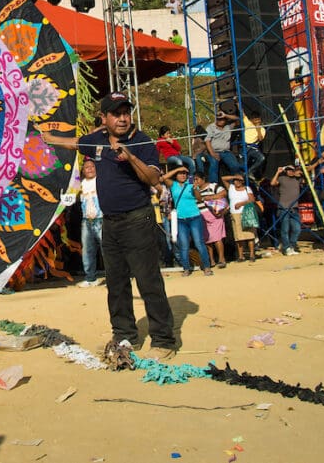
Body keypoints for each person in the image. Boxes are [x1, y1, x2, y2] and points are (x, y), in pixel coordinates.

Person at [40, 92, 176, 360]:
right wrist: (49, 138)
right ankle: (125, 335)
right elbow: (76, 143)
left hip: (138, 218)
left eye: (126, 112)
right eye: (116, 113)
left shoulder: (142, 140)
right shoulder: (96, 141)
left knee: (148, 281)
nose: (123, 118)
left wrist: (130, 157)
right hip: (109, 222)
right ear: (104, 118)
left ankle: (164, 339)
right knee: (116, 283)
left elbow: (152, 178)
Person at [164, 165, 214, 277]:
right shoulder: (174, 185)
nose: (183, 175)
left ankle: (206, 267)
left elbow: (199, 199)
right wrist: (177, 169)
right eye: (180, 173)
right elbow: (162, 178)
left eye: (184, 173)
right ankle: (186, 268)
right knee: (184, 245)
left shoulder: (191, 183)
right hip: (181, 219)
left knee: (199, 243)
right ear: (176, 175)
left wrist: (195, 188)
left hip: (194, 216)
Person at [77, 159, 103, 287]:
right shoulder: (80, 185)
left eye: (92, 166)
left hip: (101, 219)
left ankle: (114, 278)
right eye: (87, 167)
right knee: (87, 250)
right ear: (83, 170)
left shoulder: (101, 181)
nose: (90, 169)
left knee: (107, 250)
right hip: (86, 221)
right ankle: (90, 278)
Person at [193, 171, 228, 268]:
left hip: (214, 214)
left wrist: (211, 197)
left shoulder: (212, 186)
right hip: (201, 215)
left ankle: (221, 259)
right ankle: (211, 260)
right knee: (207, 239)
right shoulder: (195, 190)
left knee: (217, 238)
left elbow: (224, 192)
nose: (195, 181)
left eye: (197, 179)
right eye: (194, 179)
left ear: (203, 179)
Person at [270, 165, 303, 256]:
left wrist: (300, 173)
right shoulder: (282, 178)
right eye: (288, 170)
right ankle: (286, 248)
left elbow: (305, 178)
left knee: (297, 229)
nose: (290, 172)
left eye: (292, 170)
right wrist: (278, 172)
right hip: (284, 207)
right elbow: (272, 183)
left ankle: (292, 246)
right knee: (285, 229)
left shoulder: (297, 179)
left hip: (294, 208)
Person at [224, 174, 258, 261]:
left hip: (246, 213)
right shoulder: (231, 188)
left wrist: (241, 204)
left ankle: (251, 254)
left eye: (240, 180)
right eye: (236, 180)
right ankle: (241, 255)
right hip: (235, 214)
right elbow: (223, 178)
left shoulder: (247, 188)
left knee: (250, 235)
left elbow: (252, 199)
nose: (237, 182)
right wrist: (234, 177)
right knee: (238, 236)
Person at [205, 109, 241, 182]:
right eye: (218, 119)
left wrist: (226, 115)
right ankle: (213, 185)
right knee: (213, 166)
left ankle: (235, 182)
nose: (219, 121)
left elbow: (238, 119)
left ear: (225, 120)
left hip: (226, 152)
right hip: (214, 151)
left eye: (222, 119)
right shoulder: (210, 127)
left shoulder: (228, 126)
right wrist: (212, 153)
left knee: (235, 165)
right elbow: (207, 141)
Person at [240, 112, 267, 178]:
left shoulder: (262, 129)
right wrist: (238, 104)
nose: (258, 121)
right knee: (243, 164)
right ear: (252, 120)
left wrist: (258, 129)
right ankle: (241, 175)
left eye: (259, 120)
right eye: (256, 120)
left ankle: (249, 172)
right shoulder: (248, 124)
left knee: (262, 158)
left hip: (253, 148)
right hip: (245, 147)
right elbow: (243, 114)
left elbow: (260, 139)